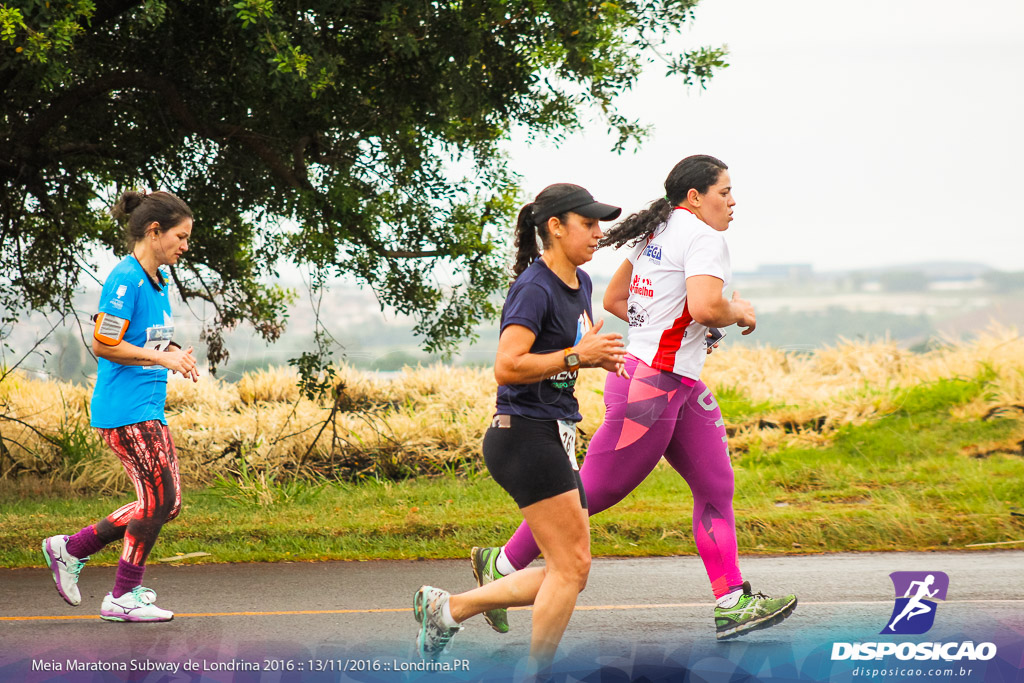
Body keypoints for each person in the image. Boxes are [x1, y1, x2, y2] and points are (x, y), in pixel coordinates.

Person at [469, 155, 797, 641]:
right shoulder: (704, 237)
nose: (732, 201)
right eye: (724, 192)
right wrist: (738, 312)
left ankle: (732, 600)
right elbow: (707, 305)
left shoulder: (660, 228)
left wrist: (677, 331)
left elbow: (616, 299)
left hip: (674, 382)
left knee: (715, 483)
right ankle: (503, 562)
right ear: (695, 197)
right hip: (654, 385)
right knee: (596, 490)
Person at [413, 184, 627, 675]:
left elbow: (568, 356)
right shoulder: (534, 287)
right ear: (555, 227)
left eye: (599, 224)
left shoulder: (581, 283)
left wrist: (593, 358)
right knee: (571, 568)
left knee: (570, 571)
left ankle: (448, 610)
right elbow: (506, 366)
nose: (599, 233)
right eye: (588, 223)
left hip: (553, 434)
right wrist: (578, 356)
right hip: (524, 434)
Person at [42, 190, 199, 622]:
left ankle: (70, 549)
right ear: (154, 231)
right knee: (158, 501)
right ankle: (121, 597)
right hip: (125, 409)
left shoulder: (159, 280)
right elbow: (105, 344)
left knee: (167, 503)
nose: (186, 246)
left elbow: (143, 337)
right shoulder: (125, 279)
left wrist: (173, 352)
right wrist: (162, 357)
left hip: (148, 405)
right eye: (181, 237)